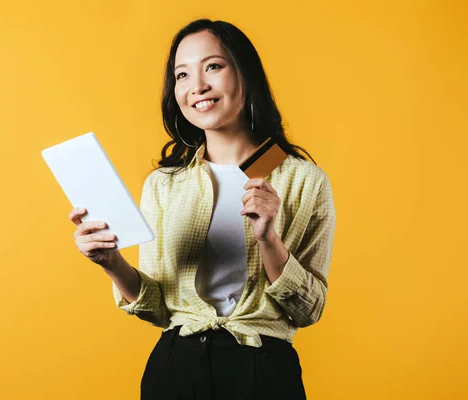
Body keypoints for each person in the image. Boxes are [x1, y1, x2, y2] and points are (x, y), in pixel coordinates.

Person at [69, 19, 336, 400]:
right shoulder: (164, 184)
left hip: (264, 372)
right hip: (176, 371)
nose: (197, 86)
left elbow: (309, 310)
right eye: (182, 74)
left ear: (245, 73)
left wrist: (269, 239)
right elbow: (157, 309)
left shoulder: (305, 180)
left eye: (213, 66)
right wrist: (110, 261)